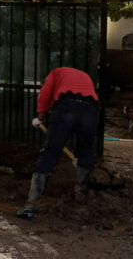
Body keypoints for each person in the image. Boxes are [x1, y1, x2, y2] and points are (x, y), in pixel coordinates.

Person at [15, 67, 100, 219]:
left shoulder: (55, 73)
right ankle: (80, 200)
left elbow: (45, 94)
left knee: (50, 152)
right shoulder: (85, 75)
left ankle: (31, 205)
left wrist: (40, 116)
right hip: (90, 110)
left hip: (65, 107)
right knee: (86, 151)